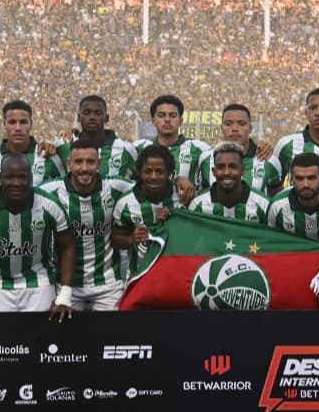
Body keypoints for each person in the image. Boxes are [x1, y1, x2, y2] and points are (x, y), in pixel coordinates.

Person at [0, 153, 76, 328]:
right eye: (9, 177)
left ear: (31, 178)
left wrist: (64, 295)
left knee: (39, 342)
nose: (16, 182)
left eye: (22, 177)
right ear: (0, 178)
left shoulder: (49, 204)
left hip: (39, 281)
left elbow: (67, 246)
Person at [40, 139, 133, 311]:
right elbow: (20, 192)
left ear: (99, 163)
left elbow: (149, 187)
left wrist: (179, 180)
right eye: (78, 162)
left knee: (115, 334)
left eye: (90, 162)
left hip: (108, 284)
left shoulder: (117, 186)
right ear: (69, 164)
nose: (84, 168)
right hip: (67, 285)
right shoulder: (50, 191)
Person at [112, 144, 186, 272]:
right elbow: (116, 238)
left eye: (159, 171)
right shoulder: (125, 204)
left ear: (169, 172)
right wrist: (131, 239)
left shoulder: (182, 195)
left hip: (175, 274)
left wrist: (175, 217)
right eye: (147, 171)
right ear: (140, 172)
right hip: (140, 275)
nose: (153, 177)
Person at [132, 95, 211, 205]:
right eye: (161, 115)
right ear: (153, 121)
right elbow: (130, 183)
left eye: (173, 115)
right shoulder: (137, 148)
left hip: (185, 216)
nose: (167, 120)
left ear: (181, 120)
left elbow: (213, 185)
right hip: (148, 215)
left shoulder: (200, 149)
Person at [195, 103, 283, 196]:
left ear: (250, 128)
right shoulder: (205, 159)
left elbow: (276, 201)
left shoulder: (269, 160)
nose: (235, 129)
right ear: (221, 128)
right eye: (228, 124)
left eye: (242, 124)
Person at [0, 100, 63, 189]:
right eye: (12, 122)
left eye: (23, 122)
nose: (18, 128)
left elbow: (62, 192)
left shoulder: (48, 155)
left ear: (31, 124)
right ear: (4, 124)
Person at [53, 94, 137, 180]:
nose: (92, 117)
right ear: (78, 117)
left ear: (107, 118)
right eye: (86, 113)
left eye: (98, 113)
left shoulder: (126, 149)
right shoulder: (62, 147)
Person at [189, 141, 271, 224]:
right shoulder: (197, 205)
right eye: (221, 167)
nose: (226, 173)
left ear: (242, 170)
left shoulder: (264, 206)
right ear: (214, 171)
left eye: (233, 166)